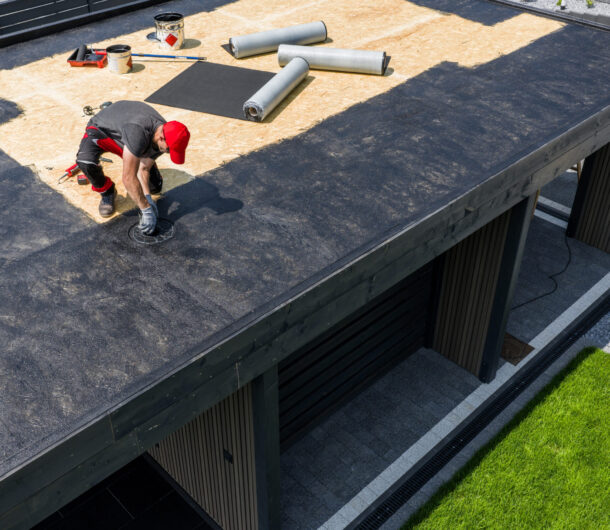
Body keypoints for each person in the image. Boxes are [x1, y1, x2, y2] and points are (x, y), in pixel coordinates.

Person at [75, 100, 190, 234]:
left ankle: (138, 160)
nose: (168, 153)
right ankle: (107, 191)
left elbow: (144, 168)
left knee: (155, 187)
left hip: (128, 136)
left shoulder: (166, 134)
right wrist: (145, 210)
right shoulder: (139, 132)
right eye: (169, 150)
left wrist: (147, 198)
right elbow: (128, 178)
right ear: (161, 138)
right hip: (101, 131)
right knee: (85, 162)